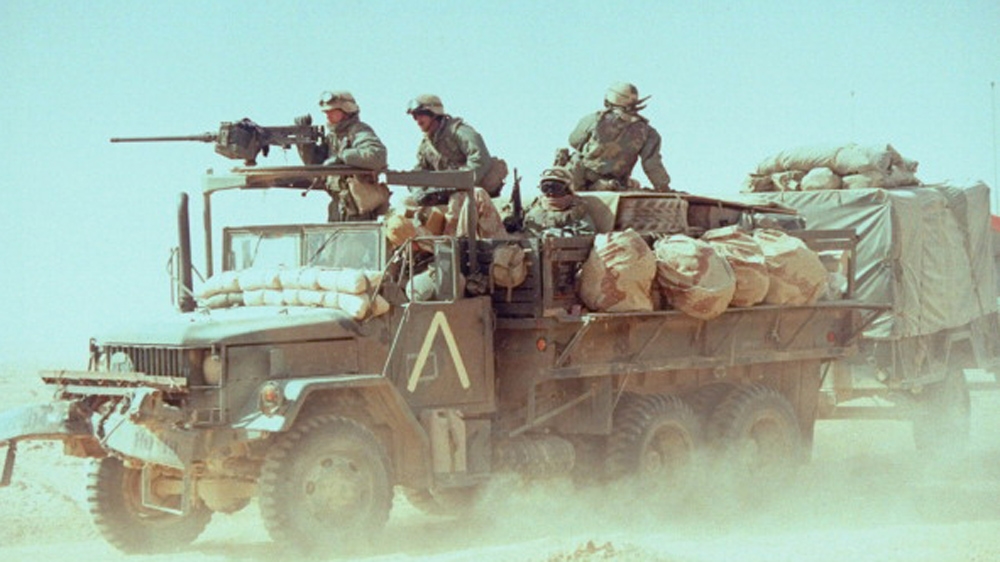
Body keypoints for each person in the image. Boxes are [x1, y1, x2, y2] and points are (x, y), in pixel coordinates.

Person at [406, 94, 508, 238]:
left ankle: (453, 247)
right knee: (407, 204)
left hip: (470, 191)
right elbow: (419, 172)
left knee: (457, 199)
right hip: (445, 193)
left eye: (420, 115)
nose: (417, 120)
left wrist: (454, 183)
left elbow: (480, 159)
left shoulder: (459, 131)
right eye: (414, 117)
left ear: (433, 113)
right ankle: (423, 247)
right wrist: (419, 191)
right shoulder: (427, 145)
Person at [297, 90, 389, 221]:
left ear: (346, 111)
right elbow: (316, 167)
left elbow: (376, 156)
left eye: (332, 111)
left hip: (358, 211)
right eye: (326, 112)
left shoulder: (358, 131)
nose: (328, 115)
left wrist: (342, 157)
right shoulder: (333, 137)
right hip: (338, 206)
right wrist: (304, 141)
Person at [567, 82, 672, 192]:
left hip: (582, 178)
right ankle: (605, 185)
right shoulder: (648, 132)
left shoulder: (593, 120)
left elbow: (574, 141)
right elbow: (652, 163)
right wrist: (663, 187)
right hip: (618, 182)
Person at [523, 167, 596, 237]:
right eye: (546, 188)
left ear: (567, 189)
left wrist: (559, 234)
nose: (551, 193)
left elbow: (587, 233)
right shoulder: (533, 207)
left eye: (556, 188)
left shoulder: (576, 210)